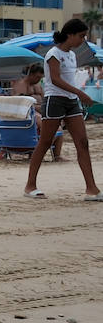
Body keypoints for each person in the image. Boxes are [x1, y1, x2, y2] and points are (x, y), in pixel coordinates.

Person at [23, 19, 100, 201]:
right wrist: (80, 93)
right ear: (70, 35)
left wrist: (76, 95)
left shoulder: (72, 55)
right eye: (81, 36)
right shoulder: (53, 54)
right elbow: (55, 80)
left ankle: (91, 188)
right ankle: (30, 185)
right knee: (45, 142)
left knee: (83, 143)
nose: (83, 40)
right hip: (55, 100)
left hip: (71, 101)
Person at [12, 63, 64, 161]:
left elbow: (45, 98)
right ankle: (38, 153)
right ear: (31, 74)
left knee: (59, 128)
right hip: (28, 114)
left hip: (41, 111)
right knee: (51, 128)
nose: (38, 79)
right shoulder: (21, 85)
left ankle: (57, 156)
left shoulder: (38, 85)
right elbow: (20, 103)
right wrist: (38, 108)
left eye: (40, 77)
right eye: (37, 77)